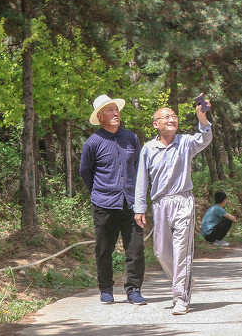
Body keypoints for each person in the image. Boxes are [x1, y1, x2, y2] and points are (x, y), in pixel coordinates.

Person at [134, 97, 213, 316]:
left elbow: (205, 138)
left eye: (174, 116)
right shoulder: (148, 148)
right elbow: (142, 180)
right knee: (161, 252)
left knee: (181, 252)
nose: (172, 120)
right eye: (166, 117)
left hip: (182, 201)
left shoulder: (186, 142)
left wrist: (201, 117)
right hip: (159, 204)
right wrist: (139, 208)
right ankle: (186, 280)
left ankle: (180, 298)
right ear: (155, 124)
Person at [79, 94, 146, 305]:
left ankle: (134, 289)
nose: (116, 113)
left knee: (135, 249)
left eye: (116, 109)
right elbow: (85, 172)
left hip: (131, 204)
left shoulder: (131, 138)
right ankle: (106, 289)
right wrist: (100, 192)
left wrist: (140, 200)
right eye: (110, 110)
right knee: (103, 249)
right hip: (103, 204)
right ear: (100, 117)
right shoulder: (92, 143)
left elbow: (137, 169)